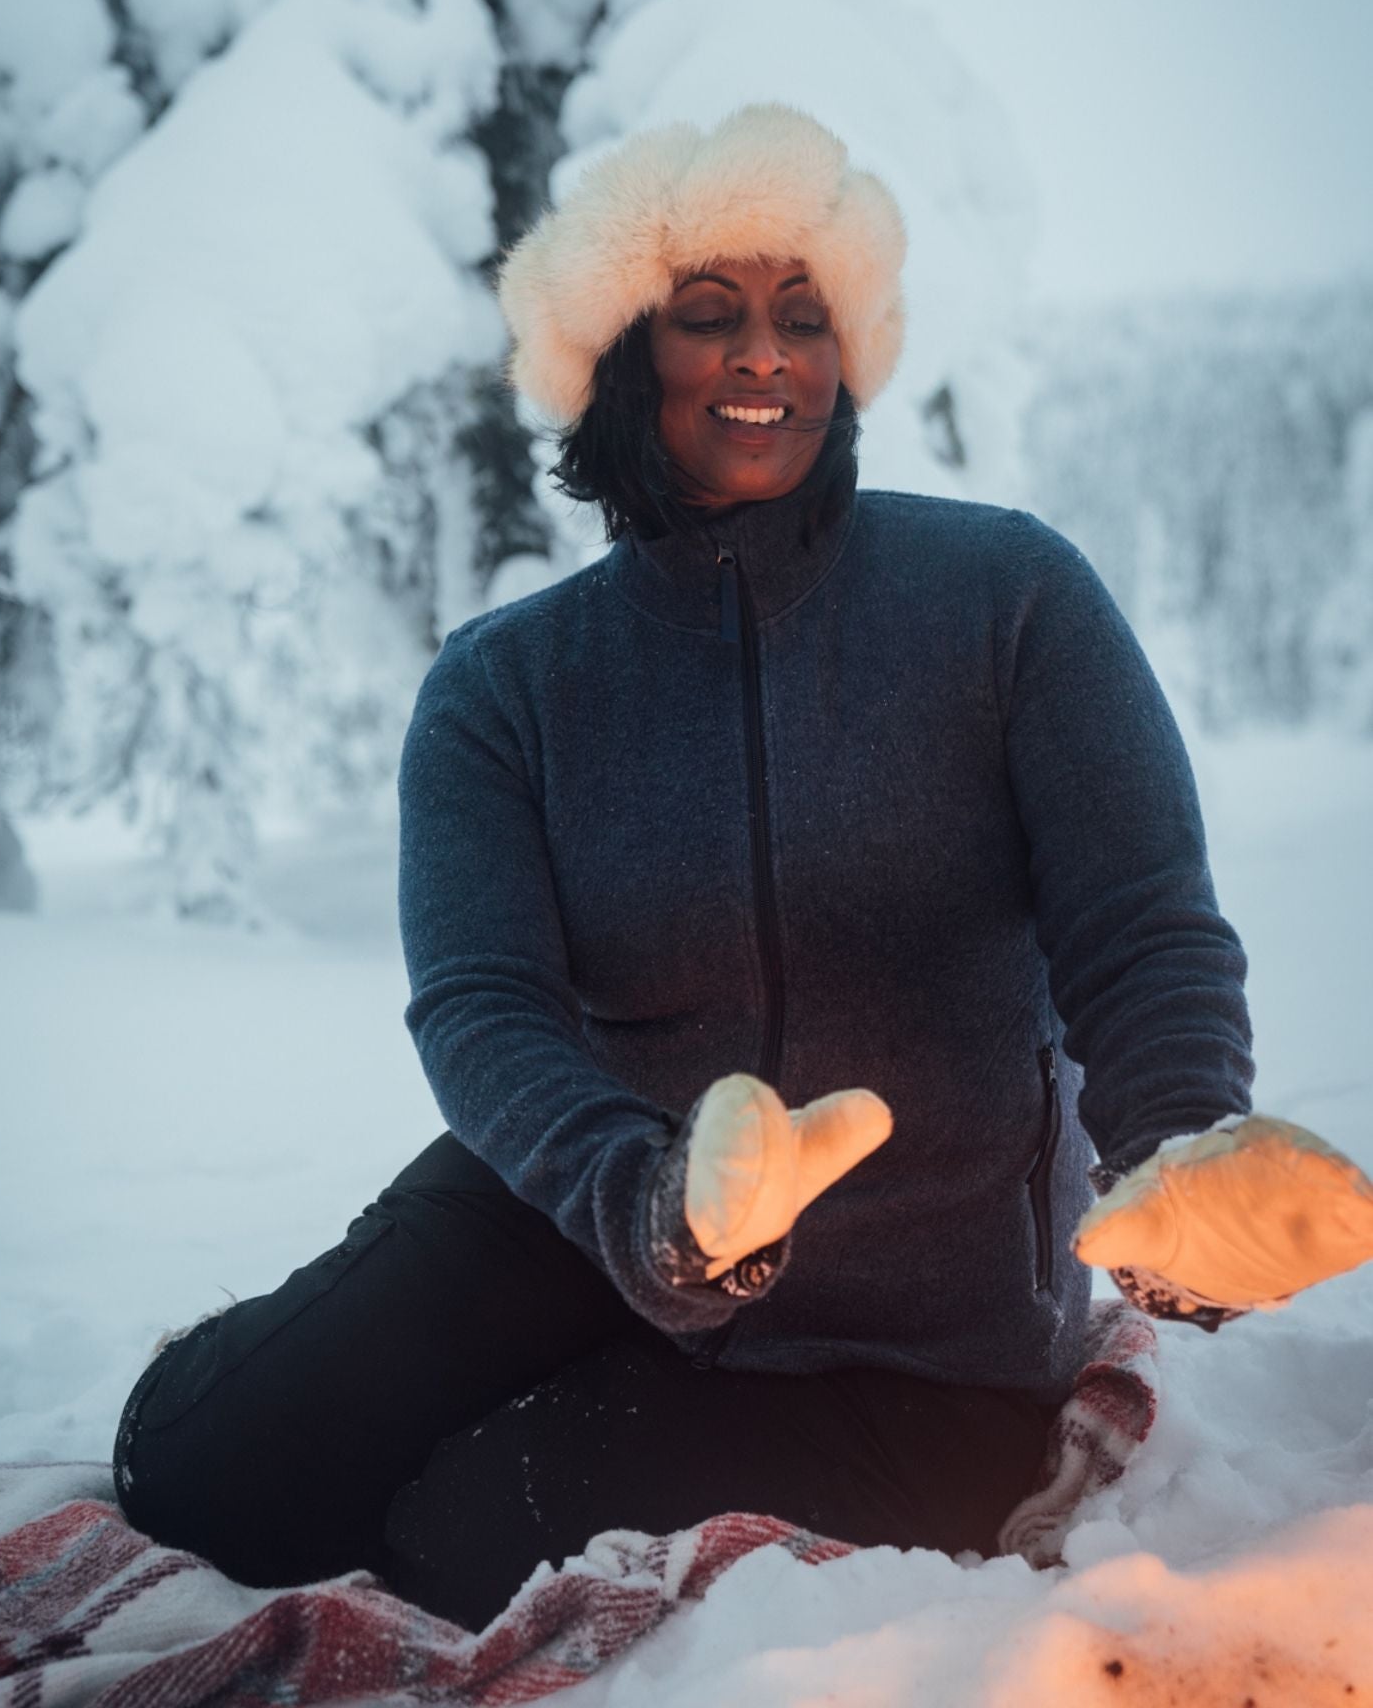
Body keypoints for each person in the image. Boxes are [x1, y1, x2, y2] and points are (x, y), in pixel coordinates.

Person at [111, 103, 1373, 1632]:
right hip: (591, 1204)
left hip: (912, 1329)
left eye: (803, 317)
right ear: (618, 359)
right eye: (710, 314)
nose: (765, 354)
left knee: (452, 1536)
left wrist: (1177, 1147)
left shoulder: (1009, 600)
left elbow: (1143, 927)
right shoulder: (507, 685)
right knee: (207, 1479)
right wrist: (648, 1203)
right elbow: (482, 1006)